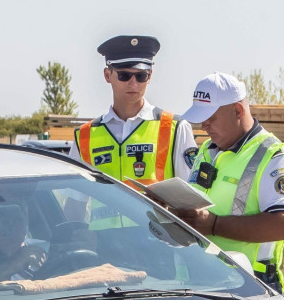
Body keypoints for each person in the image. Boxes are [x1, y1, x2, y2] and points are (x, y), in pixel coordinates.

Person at [169, 72, 284, 293]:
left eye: (211, 118)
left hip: (250, 284)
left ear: (238, 110)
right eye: (202, 118)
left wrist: (214, 225)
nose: (204, 125)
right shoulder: (207, 149)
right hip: (202, 280)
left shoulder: (273, 156)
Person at [72, 35, 198, 191]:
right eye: (124, 75)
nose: (133, 83)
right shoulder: (84, 137)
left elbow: (190, 197)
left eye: (141, 76)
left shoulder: (175, 128)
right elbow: (75, 200)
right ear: (107, 75)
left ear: (149, 75)